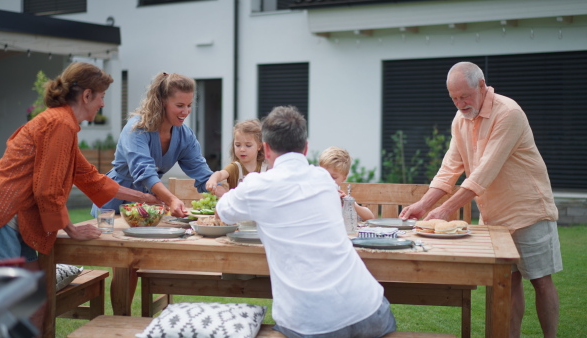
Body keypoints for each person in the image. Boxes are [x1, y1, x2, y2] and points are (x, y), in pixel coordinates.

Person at [0, 62, 160, 327]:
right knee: (11, 312)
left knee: (33, 305)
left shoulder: (62, 123)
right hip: (3, 220)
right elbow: (48, 190)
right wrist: (72, 229)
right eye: (101, 97)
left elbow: (89, 177)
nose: (103, 104)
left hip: (15, 220)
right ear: (87, 95)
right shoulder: (60, 124)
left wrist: (146, 198)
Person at [399, 61, 561, 338]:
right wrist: (423, 205)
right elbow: (449, 170)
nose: (460, 104)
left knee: (541, 282)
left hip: (530, 211)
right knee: (508, 284)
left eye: (464, 96)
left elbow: (483, 173)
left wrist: (446, 209)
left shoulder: (509, 113)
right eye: (454, 98)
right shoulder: (459, 120)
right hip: (495, 218)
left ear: (482, 86)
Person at [216, 106, 397, 338]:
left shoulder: (256, 185)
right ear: (306, 147)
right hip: (369, 309)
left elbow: (223, 212)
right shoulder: (324, 178)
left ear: (267, 149)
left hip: (310, 322)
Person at [91, 72, 224, 218]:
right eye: (180, 105)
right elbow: (144, 172)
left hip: (149, 206)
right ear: (162, 102)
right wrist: (171, 199)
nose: (186, 112)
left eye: (189, 105)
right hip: (113, 204)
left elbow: (203, 174)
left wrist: (227, 196)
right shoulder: (137, 129)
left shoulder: (185, 136)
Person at [205, 119, 268, 197]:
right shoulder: (235, 167)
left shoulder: (266, 168)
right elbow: (220, 174)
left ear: (259, 146)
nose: (242, 149)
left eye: (248, 145)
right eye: (238, 145)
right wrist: (213, 180)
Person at [319, 146, 374, 221]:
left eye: (334, 177)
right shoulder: (315, 192)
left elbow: (370, 218)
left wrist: (350, 203)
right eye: (324, 175)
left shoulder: (342, 198)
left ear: (343, 178)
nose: (328, 180)